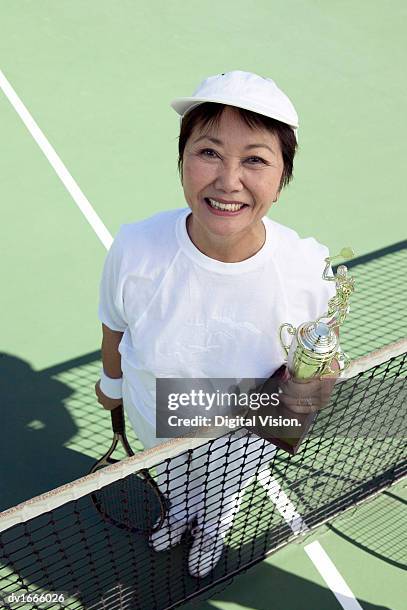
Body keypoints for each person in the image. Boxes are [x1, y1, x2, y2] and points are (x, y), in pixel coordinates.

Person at [95, 70, 336, 578]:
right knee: (173, 475)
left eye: (254, 159)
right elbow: (114, 326)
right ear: (181, 161)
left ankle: (212, 530)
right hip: (156, 412)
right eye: (209, 153)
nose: (229, 181)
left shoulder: (308, 269)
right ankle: (181, 513)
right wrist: (112, 384)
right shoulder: (135, 247)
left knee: (224, 490)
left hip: (244, 432)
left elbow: (318, 361)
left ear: (282, 178)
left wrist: (314, 383)